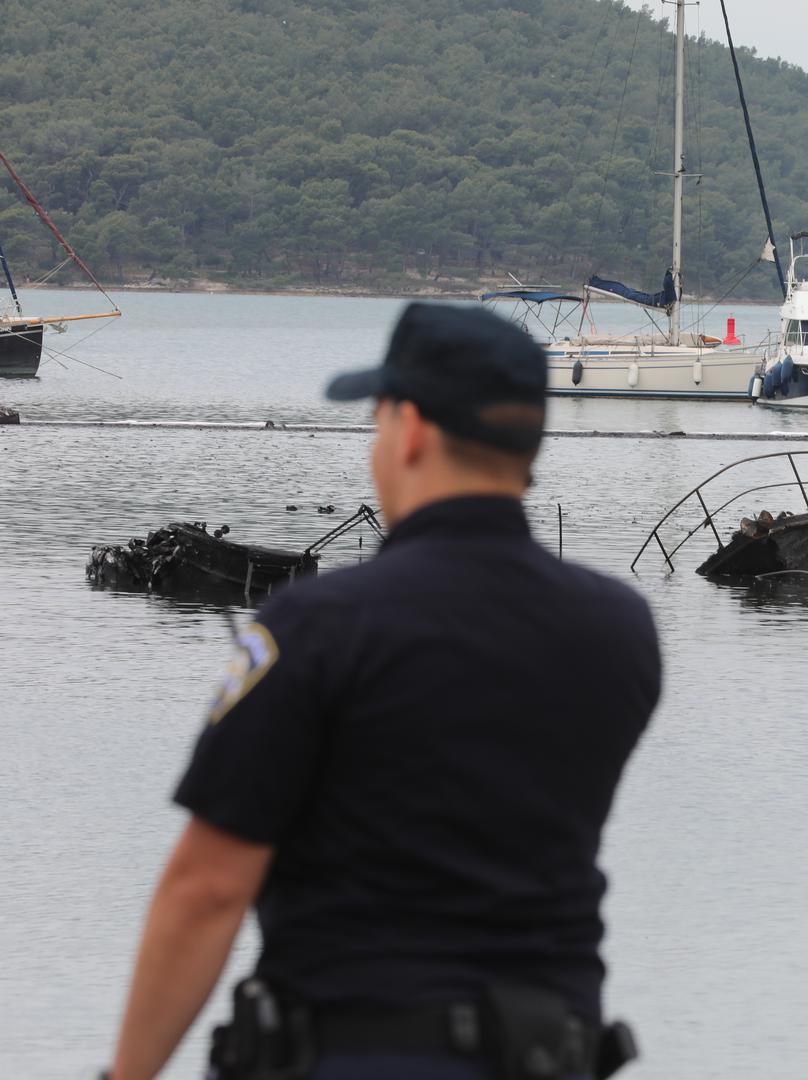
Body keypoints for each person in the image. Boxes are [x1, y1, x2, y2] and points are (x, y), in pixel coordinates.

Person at [106, 303, 661, 1080]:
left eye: (376, 423)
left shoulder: (317, 627)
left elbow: (208, 888)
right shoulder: (619, 630)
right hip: (548, 1053)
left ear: (410, 430)